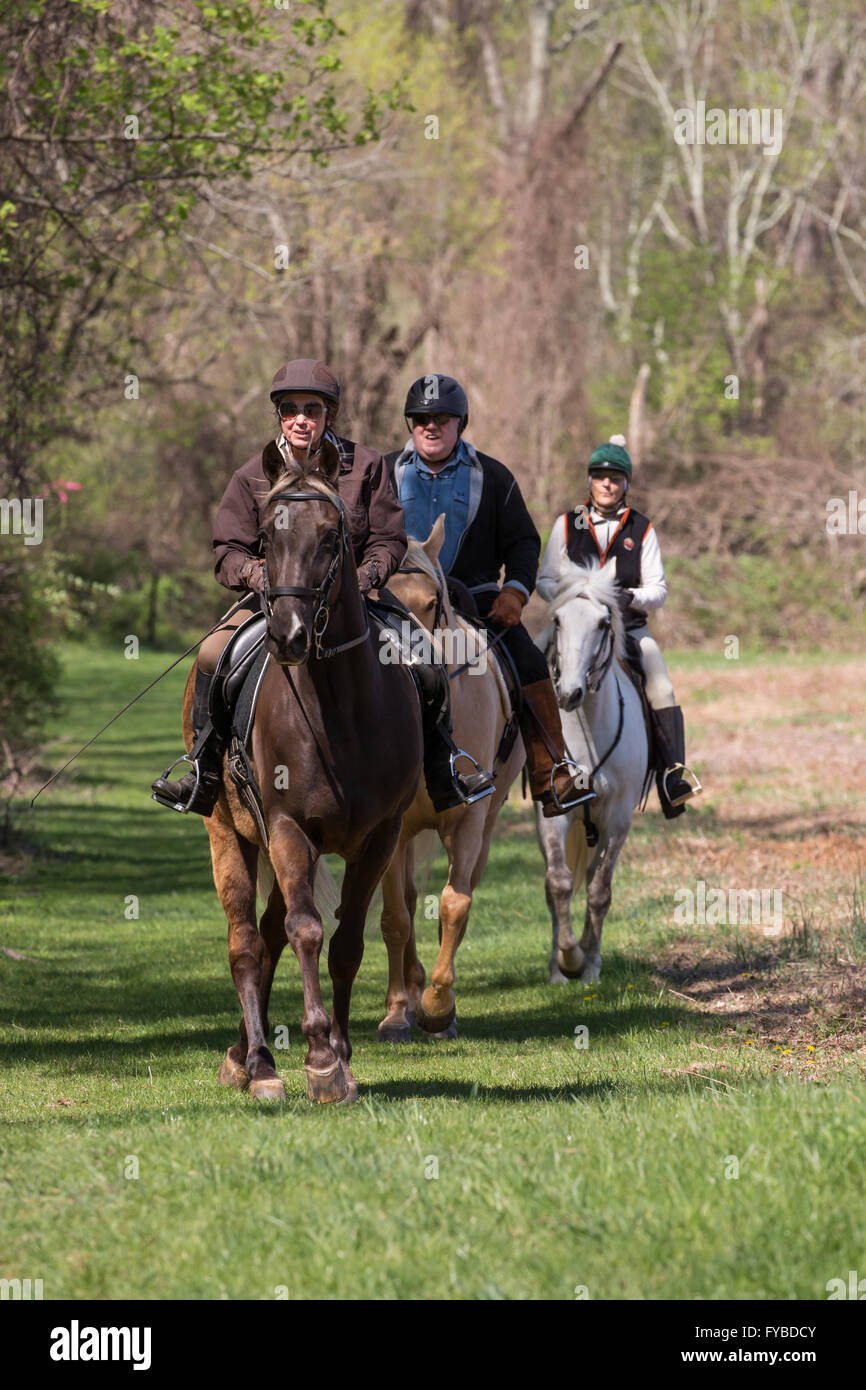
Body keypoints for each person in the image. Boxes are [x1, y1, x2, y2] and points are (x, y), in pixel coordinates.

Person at [151, 359, 488, 817]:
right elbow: (227, 549)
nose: (300, 419)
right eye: (290, 409)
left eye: (312, 408)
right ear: (280, 416)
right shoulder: (254, 473)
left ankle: (441, 768)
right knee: (212, 653)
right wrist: (259, 576)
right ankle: (203, 772)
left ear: (330, 414)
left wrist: (365, 578)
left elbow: (389, 539)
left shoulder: (365, 466)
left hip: (357, 600)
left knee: (426, 655)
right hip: (275, 599)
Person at [385, 374, 594, 818]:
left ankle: (551, 772)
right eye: (420, 418)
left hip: (476, 607)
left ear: (461, 421)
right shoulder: (382, 473)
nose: (430, 426)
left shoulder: (494, 476)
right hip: (395, 610)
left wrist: (516, 592)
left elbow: (522, 543)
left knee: (531, 663)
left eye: (441, 418)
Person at [536, 435, 701, 817]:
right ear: (590, 482)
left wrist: (630, 598)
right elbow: (544, 581)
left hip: (628, 630)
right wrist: (570, 593)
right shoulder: (566, 523)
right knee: (527, 665)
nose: (607, 484)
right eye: (599, 477)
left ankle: (672, 776)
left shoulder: (642, 529)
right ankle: (513, 760)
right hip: (572, 628)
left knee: (661, 683)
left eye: (615, 478)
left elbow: (658, 589)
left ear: (626, 484)